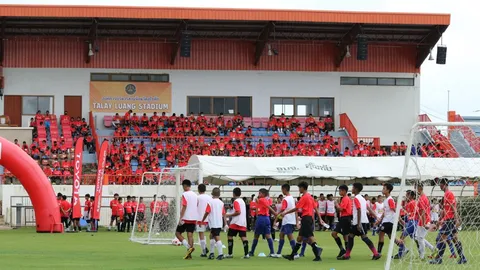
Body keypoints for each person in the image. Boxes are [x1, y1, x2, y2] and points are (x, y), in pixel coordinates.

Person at [281, 181, 323, 262]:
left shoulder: (304, 197)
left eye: (299, 188)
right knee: (299, 238)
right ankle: (292, 255)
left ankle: (318, 253)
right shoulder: (310, 197)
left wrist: (285, 212)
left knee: (310, 236)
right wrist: (320, 218)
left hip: (306, 218)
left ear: (302, 188)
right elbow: (316, 208)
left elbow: (297, 208)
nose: (299, 189)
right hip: (309, 218)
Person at [338, 183, 381, 261]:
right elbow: (368, 208)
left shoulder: (356, 198)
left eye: (353, 188)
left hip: (359, 222)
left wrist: (358, 224)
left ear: (356, 189)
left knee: (364, 238)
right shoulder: (362, 198)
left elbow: (359, 210)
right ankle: (347, 255)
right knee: (351, 236)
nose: (352, 189)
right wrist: (376, 216)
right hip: (361, 221)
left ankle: (376, 253)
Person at [430, 178, 467, 264]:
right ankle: (463, 258)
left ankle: (438, 259)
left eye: (440, 184)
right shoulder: (446, 195)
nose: (439, 186)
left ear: (444, 184)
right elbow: (445, 209)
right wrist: (440, 220)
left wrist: (457, 220)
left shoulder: (449, 194)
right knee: (455, 239)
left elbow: (454, 207)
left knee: (441, 239)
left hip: (449, 220)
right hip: (448, 220)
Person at [249, 188, 278, 257]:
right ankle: (272, 252)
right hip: (266, 218)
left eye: (259, 193)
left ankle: (252, 251)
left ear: (263, 194)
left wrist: (275, 213)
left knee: (256, 235)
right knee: (268, 235)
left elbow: (268, 207)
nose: (258, 195)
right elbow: (257, 208)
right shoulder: (264, 200)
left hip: (261, 218)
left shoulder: (262, 199)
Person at [201, 187, 227, 260]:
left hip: (213, 222)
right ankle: (212, 253)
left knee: (216, 237)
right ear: (219, 194)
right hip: (219, 222)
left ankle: (220, 254)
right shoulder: (221, 203)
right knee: (211, 235)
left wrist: (202, 220)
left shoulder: (210, 202)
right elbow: (224, 213)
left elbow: (207, 212)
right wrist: (226, 223)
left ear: (212, 194)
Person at [175, 179, 198, 260]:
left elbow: (184, 206)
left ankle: (188, 247)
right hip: (193, 218)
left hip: (186, 218)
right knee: (190, 235)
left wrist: (181, 217)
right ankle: (189, 254)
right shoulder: (195, 195)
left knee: (177, 233)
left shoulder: (185, 194)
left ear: (184, 186)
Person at [273, 184, 297, 258]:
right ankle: (279, 253)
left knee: (290, 236)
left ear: (284, 189)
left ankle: (295, 254)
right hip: (290, 219)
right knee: (281, 235)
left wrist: (276, 218)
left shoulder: (285, 199)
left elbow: (283, 209)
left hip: (287, 220)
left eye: (282, 189)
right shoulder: (292, 198)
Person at [225, 187, 250, 259]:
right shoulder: (242, 201)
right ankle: (246, 254)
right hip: (243, 222)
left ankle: (230, 254)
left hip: (236, 222)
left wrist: (229, 215)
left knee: (230, 236)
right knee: (243, 237)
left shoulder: (236, 201)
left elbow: (238, 212)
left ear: (233, 194)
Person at [415, 182, 435, 260]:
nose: (415, 190)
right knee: (418, 237)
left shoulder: (422, 198)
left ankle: (422, 256)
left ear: (419, 189)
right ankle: (433, 249)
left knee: (420, 238)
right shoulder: (422, 197)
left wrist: (424, 223)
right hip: (422, 219)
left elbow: (423, 211)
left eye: (416, 188)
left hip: (424, 220)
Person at [332, 185, 352, 259]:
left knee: (335, 234)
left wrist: (336, 203)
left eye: (340, 191)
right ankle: (345, 252)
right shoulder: (344, 198)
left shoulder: (345, 199)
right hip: (343, 218)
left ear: (344, 191)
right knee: (345, 235)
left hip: (345, 218)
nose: (339, 192)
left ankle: (344, 251)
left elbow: (341, 209)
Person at [376, 183, 396, 254]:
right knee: (391, 237)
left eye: (384, 188)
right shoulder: (386, 200)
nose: (382, 190)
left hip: (389, 221)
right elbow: (384, 211)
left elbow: (394, 209)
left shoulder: (390, 199)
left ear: (388, 190)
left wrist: (399, 219)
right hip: (386, 220)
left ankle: (378, 253)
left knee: (381, 234)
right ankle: (403, 247)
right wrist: (379, 219)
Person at [196, 184, 212, 257]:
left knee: (201, 234)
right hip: (209, 218)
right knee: (213, 234)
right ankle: (212, 251)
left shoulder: (197, 197)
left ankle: (204, 251)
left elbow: (195, 206)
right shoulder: (210, 197)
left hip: (200, 218)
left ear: (198, 189)